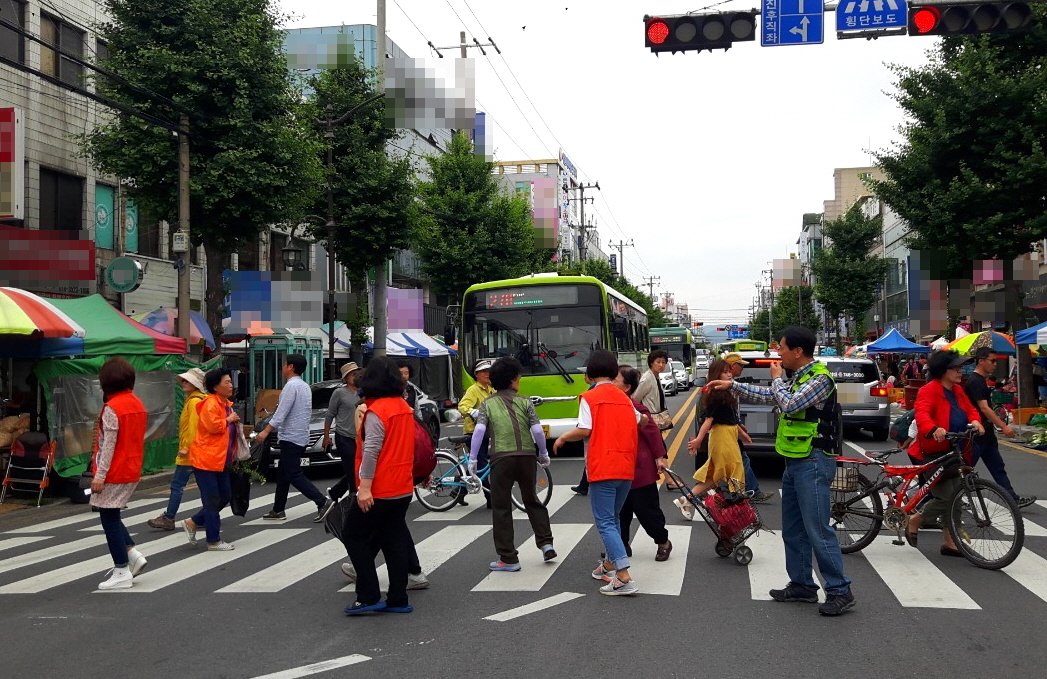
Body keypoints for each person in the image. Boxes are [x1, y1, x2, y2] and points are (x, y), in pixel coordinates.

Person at [705, 326, 855, 616]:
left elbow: (788, 401)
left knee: (818, 529)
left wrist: (775, 380)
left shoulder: (820, 378)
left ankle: (840, 590)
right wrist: (733, 386)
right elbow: (771, 396)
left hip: (813, 460)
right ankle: (802, 584)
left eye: (782, 348)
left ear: (798, 352)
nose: (779, 354)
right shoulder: (798, 377)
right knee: (794, 529)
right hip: (795, 459)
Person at [554, 349, 646, 596]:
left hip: (603, 466)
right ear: (614, 372)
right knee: (613, 519)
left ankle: (624, 576)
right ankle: (608, 565)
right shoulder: (624, 397)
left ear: (589, 375)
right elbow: (642, 420)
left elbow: (584, 429)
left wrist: (563, 436)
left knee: (605, 521)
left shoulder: (589, 397)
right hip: (625, 467)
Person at [342, 356, 419, 615]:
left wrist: (364, 488)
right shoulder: (403, 406)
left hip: (380, 487)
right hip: (402, 486)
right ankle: (398, 597)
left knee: (353, 534)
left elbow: (372, 450)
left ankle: (368, 594)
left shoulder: (377, 411)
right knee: (393, 539)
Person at [470, 357, 556, 571]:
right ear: (513, 380)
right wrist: (543, 453)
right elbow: (537, 430)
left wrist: (472, 459)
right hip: (527, 456)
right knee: (532, 499)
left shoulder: (487, 404)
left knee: (501, 507)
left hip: (501, 458)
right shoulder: (526, 401)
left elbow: (480, 431)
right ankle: (546, 543)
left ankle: (508, 558)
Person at [906, 350, 986, 554]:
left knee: (957, 497)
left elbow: (970, 409)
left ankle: (950, 542)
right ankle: (915, 520)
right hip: (933, 452)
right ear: (943, 371)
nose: (961, 371)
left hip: (955, 449)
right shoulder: (929, 390)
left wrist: (975, 420)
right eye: (956, 368)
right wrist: (934, 429)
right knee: (944, 498)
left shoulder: (958, 390)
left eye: (961, 367)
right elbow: (922, 413)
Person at [90, 357, 149, 590]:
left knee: (109, 519)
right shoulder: (137, 403)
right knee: (113, 516)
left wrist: (99, 475)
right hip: (131, 467)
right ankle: (132, 555)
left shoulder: (112, 408)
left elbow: (108, 445)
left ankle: (122, 568)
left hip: (114, 470)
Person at [257, 354, 331, 522]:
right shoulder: (304, 386)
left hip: (291, 436)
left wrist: (265, 431)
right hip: (300, 435)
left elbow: (281, 413)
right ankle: (278, 509)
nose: (282, 367)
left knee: (293, 473)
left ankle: (322, 502)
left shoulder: (291, 387)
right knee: (283, 473)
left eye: (284, 364)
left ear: (290, 367)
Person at [963, 347, 1036, 508]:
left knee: (997, 467)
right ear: (981, 360)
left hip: (986, 433)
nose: (995, 364)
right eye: (992, 361)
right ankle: (938, 500)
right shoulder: (975, 381)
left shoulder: (980, 380)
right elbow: (984, 408)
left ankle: (1012, 499)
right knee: (964, 470)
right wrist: (1003, 426)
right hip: (977, 434)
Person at [614, 365, 672, 561]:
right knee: (620, 513)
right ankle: (621, 546)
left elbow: (653, 433)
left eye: (615, 380)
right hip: (618, 470)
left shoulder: (637, 409)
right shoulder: (610, 408)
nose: (611, 384)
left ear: (627, 387)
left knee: (648, 513)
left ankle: (663, 542)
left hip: (640, 471)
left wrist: (660, 457)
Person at [679, 359, 749, 519]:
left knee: (716, 475)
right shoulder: (716, 394)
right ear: (716, 375)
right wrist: (697, 440)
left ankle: (686, 499)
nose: (729, 374)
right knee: (731, 470)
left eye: (729, 371)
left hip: (727, 436)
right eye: (725, 372)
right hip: (721, 437)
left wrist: (742, 433)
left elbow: (729, 418)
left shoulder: (724, 392)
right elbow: (709, 420)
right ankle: (735, 509)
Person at [182, 368, 240, 551]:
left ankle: (194, 522)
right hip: (206, 460)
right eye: (227, 382)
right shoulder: (210, 403)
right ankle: (213, 540)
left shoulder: (225, 404)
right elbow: (213, 426)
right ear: (216, 387)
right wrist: (229, 419)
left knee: (225, 496)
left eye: (230, 382)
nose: (231, 385)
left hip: (221, 460)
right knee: (213, 499)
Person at [148, 368, 207, 530]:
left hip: (190, 453)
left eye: (187, 381)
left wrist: (186, 448)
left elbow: (194, 429)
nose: (184, 383)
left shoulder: (194, 401)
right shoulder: (196, 400)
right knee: (204, 485)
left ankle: (169, 517)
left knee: (177, 485)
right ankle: (208, 515)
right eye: (184, 380)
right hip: (198, 452)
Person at [722, 352, 774, 503]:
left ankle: (731, 491)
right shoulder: (725, 385)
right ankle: (750, 492)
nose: (743, 368)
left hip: (732, 428)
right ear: (732, 366)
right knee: (737, 461)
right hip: (727, 430)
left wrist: (739, 424)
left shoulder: (732, 384)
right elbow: (723, 413)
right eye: (741, 365)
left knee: (730, 462)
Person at [630, 349, 678, 491]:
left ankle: (663, 478)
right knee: (660, 449)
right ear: (651, 363)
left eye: (663, 362)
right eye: (658, 362)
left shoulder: (655, 376)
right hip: (649, 419)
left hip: (655, 418)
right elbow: (635, 399)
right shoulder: (647, 378)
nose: (661, 365)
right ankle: (669, 480)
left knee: (656, 449)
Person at [322, 362, 362, 508]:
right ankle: (353, 501)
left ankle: (335, 492)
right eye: (352, 374)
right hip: (344, 436)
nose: (355, 376)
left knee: (358, 469)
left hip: (359, 437)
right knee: (352, 470)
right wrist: (326, 437)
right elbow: (329, 415)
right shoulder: (339, 393)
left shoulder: (363, 392)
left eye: (357, 373)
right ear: (346, 378)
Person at [457, 359, 495, 506]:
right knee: (481, 464)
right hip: (474, 433)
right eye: (484, 371)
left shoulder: (491, 389)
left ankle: (459, 492)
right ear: (476, 374)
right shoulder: (474, 389)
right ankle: (490, 496)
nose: (487, 374)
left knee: (476, 464)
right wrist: (472, 411)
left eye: (489, 371)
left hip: (487, 432)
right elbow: (462, 406)